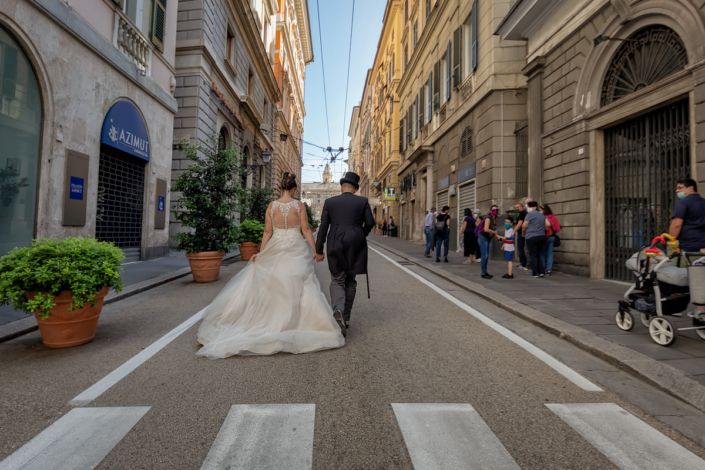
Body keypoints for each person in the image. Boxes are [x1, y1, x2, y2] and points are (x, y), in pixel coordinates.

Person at [196, 173, 345, 358]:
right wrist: (315, 251)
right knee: (300, 282)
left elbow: (267, 232)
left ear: (281, 187)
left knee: (274, 282)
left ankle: (272, 320)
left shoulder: (271, 206)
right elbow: (305, 230)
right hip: (295, 246)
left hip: (276, 244)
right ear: (294, 188)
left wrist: (261, 252)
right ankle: (297, 323)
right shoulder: (299, 206)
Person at [315, 171, 376, 335]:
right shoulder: (362, 201)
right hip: (355, 243)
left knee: (337, 279)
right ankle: (346, 317)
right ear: (355, 189)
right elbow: (370, 222)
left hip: (335, 242)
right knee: (350, 279)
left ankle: (338, 310)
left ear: (342, 187)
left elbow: (323, 228)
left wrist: (318, 249)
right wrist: (361, 233)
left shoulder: (330, 202)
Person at [669, 178, 705, 253]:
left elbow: (676, 225)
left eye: (680, 188)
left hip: (688, 246)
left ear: (691, 188)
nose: (677, 191)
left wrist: (671, 241)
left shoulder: (683, 203)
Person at [522, 200, 547, 277]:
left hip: (531, 237)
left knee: (533, 255)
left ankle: (535, 273)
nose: (528, 208)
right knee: (541, 254)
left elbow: (524, 225)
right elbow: (546, 226)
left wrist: (523, 232)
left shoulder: (529, 214)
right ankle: (542, 272)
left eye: (529, 206)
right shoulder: (542, 215)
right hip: (542, 236)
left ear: (533, 207)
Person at [479, 205, 499, 279]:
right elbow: (486, 229)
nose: (495, 211)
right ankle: (483, 273)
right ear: (491, 211)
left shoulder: (494, 219)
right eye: (494, 210)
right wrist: (494, 232)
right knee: (485, 255)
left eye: (496, 210)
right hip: (483, 237)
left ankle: (485, 272)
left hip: (487, 238)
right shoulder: (488, 218)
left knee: (486, 256)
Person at [541, 204, 561, 275]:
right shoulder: (553, 217)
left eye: (541, 209)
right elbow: (558, 228)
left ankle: (542, 268)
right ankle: (548, 269)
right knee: (550, 254)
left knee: (542, 253)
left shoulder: (542, 217)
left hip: (544, 237)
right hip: (552, 237)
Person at [514, 200, 529, 271]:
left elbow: (519, 224)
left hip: (522, 233)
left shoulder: (523, 213)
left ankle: (523, 264)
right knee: (521, 248)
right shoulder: (520, 213)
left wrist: (514, 231)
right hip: (522, 233)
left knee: (520, 248)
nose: (517, 209)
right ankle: (522, 263)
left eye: (518, 207)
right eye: (516, 208)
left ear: (522, 207)